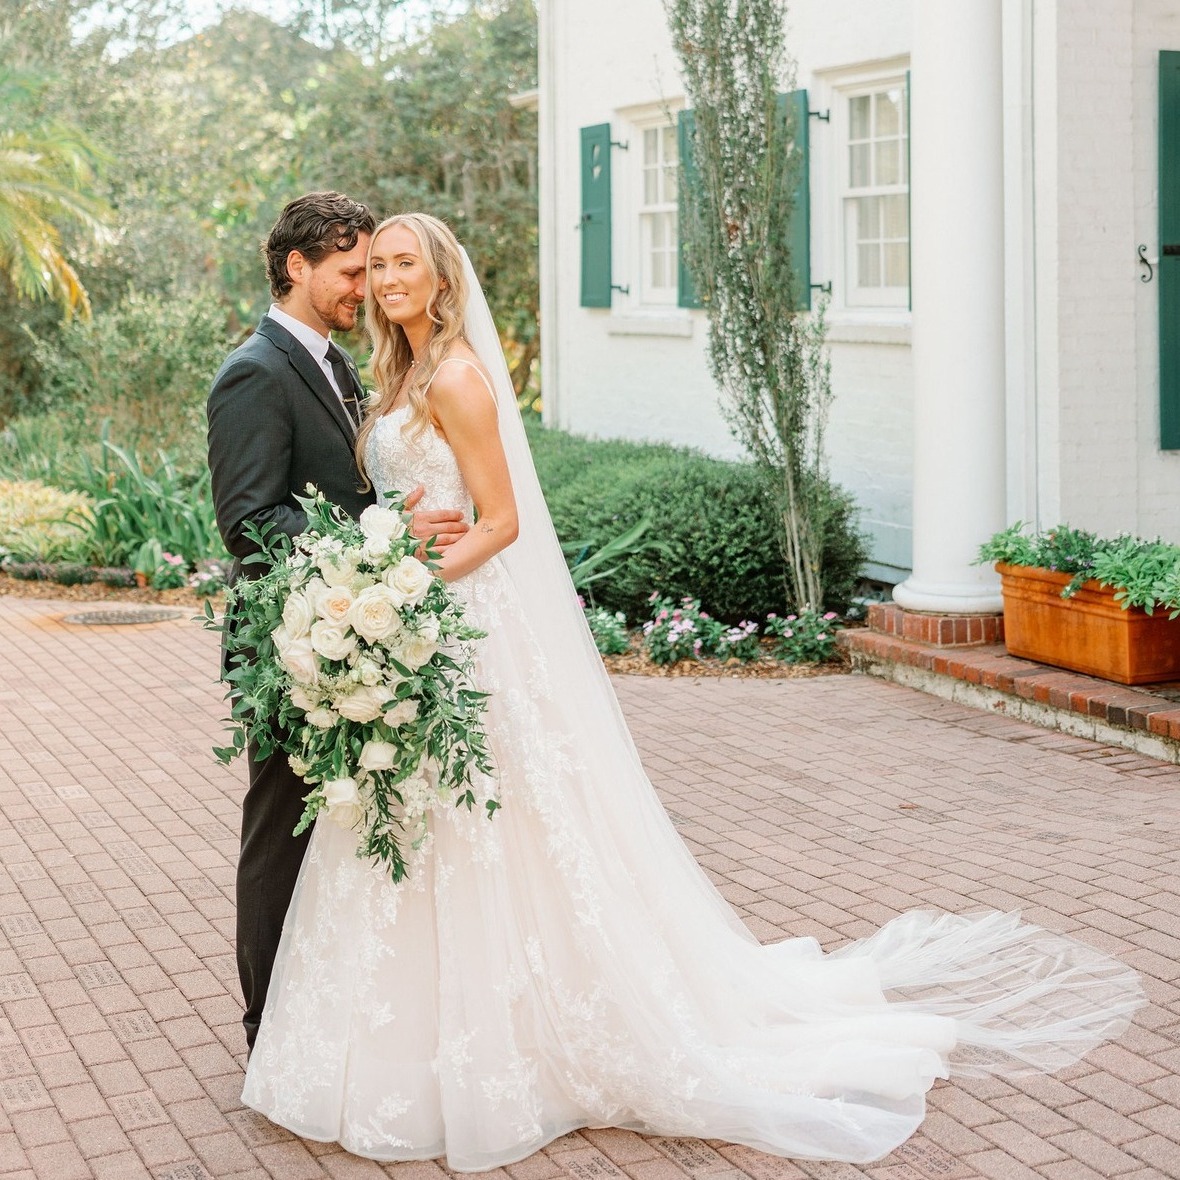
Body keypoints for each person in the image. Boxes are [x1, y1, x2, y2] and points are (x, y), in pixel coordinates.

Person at [241, 212, 1144, 1168]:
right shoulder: (395, 376)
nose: (384, 279)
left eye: (401, 263)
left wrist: (410, 583)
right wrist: (388, 554)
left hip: (461, 623)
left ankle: (535, 1036)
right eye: (374, 265)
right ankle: (405, 1044)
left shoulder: (458, 376)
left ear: (441, 275)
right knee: (418, 827)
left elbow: (500, 522)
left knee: (493, 824)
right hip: (423, 626)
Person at [207, 193, 468, 1054]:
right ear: (298, 267)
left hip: (357, 632)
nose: (365, 287)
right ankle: (265, 1027)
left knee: (340, 829)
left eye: (374, 270)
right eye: (352, 271)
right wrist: (379, 540)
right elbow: (249, 523)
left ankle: (325, 1014)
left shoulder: (339, 366)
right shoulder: (256, 371)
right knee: (284, 829)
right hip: (291, 647)